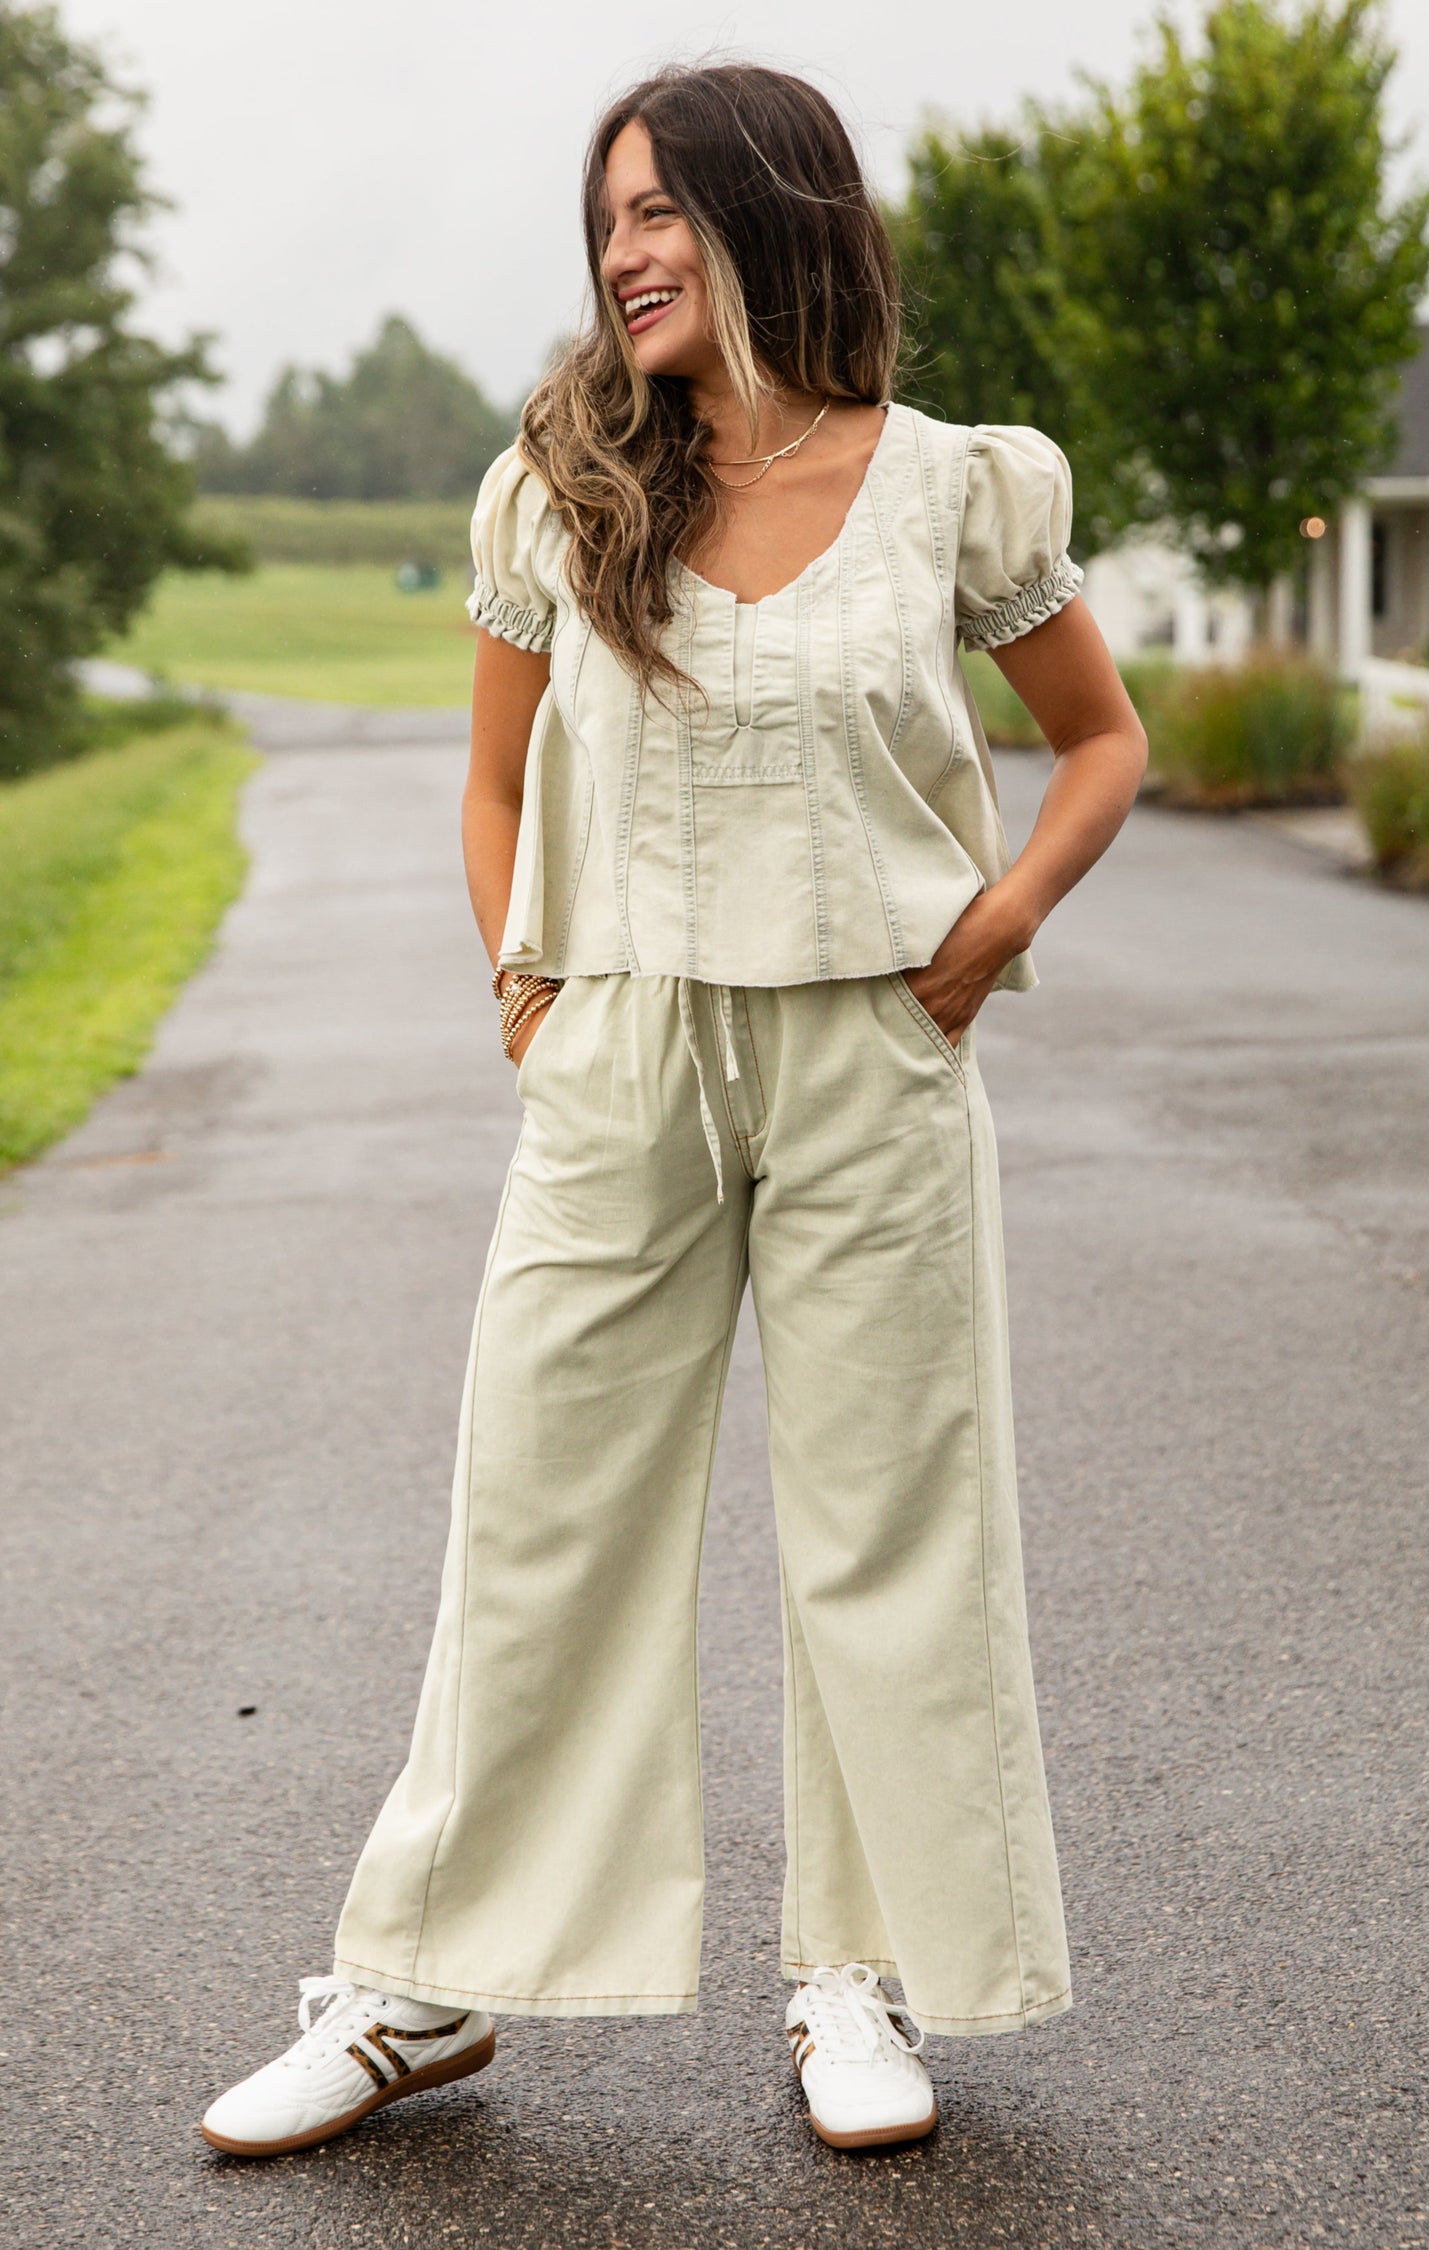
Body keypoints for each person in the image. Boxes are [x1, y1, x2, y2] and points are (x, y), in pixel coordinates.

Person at [201, 61, 1147, 2160]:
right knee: (538, 1508)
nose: (624, 252)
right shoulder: (561, 489)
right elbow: (490, 780)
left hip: (872, 1056)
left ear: (770, 211)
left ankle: (853, 1974)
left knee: (888, 1527)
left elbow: (1103, 739)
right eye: (607, 218)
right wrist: (526, 997)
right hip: (618, 1055)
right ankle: (421, 1980)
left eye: (658, 211)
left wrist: (992, 930)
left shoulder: (951, 487)